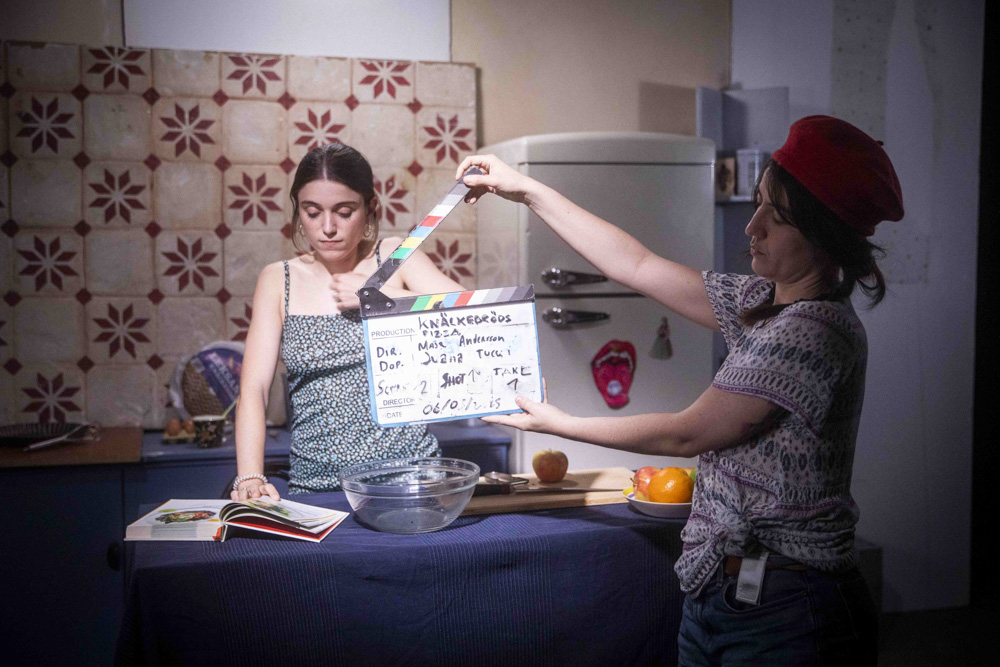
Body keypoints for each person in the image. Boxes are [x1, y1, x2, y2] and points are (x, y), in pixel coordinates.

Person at [458, 116, 902, 664]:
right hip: (724, 591)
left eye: (776, 216)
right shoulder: (766, 302)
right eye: (758, 203)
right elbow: (637, 265)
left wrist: (560, 423)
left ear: (824, 235)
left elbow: (686, 434)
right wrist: (527, 190)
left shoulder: (812, 330)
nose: (752, 226)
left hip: (789, 606)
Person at [232, 143, 466, 501]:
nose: (328, 228)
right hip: (315, 487)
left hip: (412, 482)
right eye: (312, 212)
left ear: (370, 209)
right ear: (298, 212)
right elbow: (254, 388)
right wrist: (249, 477)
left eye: (344, 212)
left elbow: (474, 316)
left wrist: (384, 298)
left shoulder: (395, 257)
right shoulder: (278, 280)